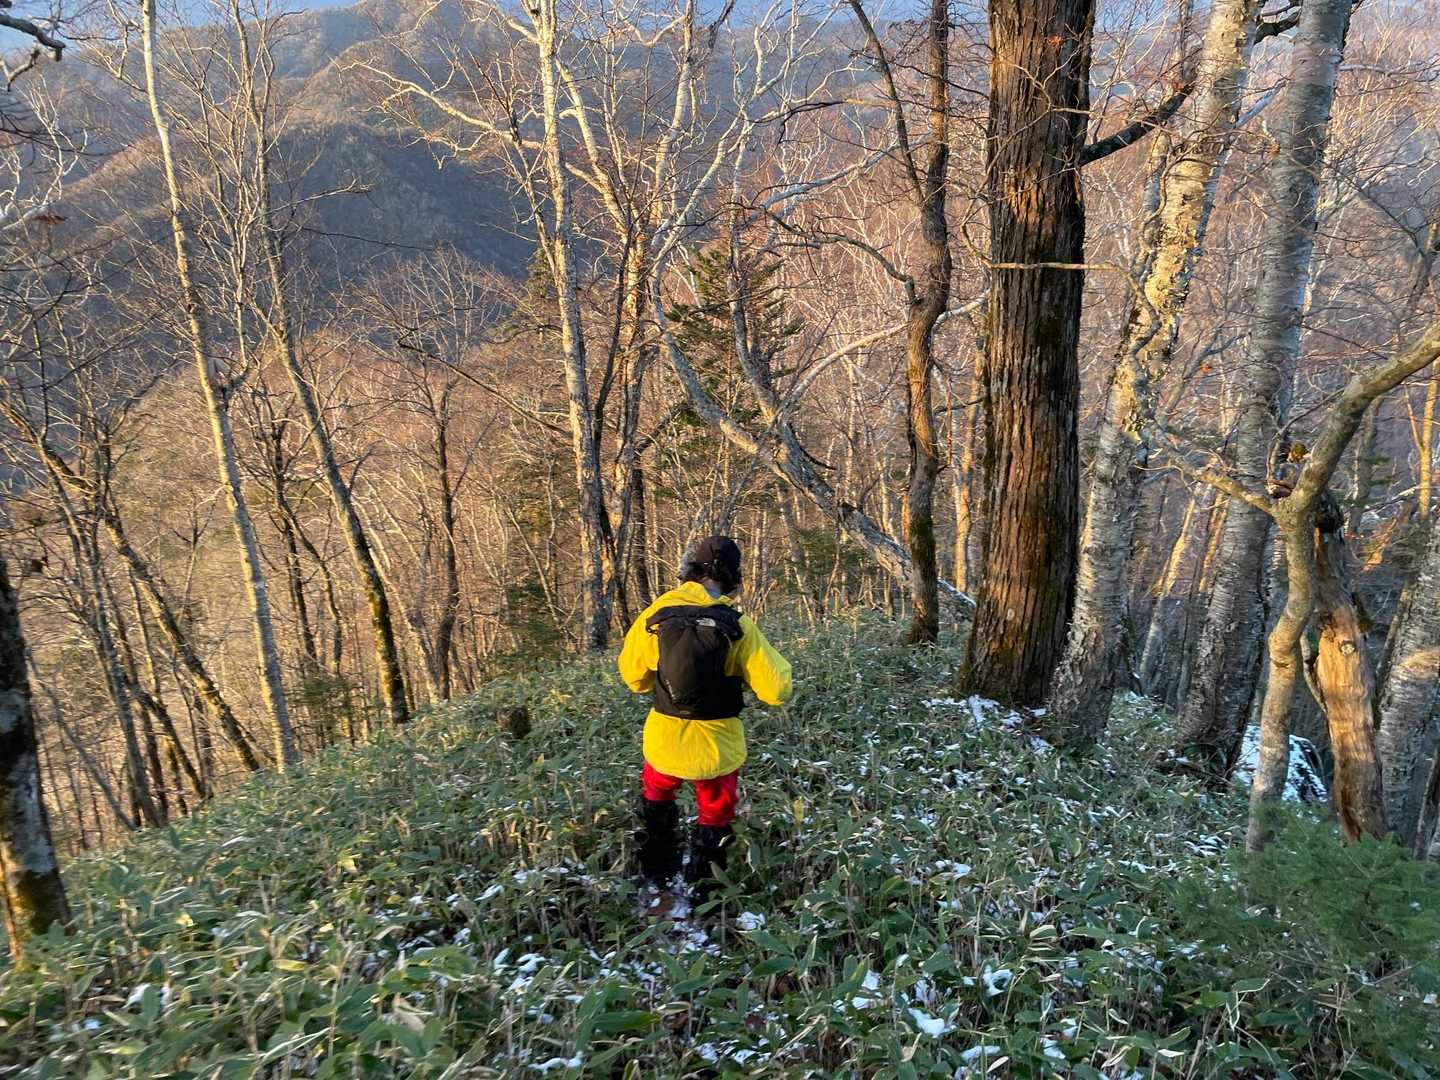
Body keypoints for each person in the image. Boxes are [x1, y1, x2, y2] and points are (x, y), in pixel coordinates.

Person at [618, 535, 792, 904]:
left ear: (690, 570)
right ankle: (705, 889)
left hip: (664, 742)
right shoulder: (738, 625)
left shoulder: (654, 616)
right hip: (717, 748)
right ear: (732, 578)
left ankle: (656, 871)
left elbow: (633, 678)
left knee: (656, 794)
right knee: (716, 810)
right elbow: (777, 690)